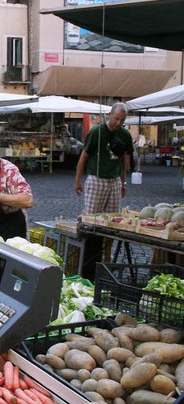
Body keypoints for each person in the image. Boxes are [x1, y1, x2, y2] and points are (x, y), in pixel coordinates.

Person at [74, 102, 133, 280]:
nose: (118, 123)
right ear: (109, 115)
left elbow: (124, 160)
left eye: (122, 120)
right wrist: (78, 180)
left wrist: (123, 182)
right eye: (116, 119)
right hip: (96, 179)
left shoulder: (125, 134)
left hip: (114, 180)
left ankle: (105, 261)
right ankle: (89, 263)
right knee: (92, 221)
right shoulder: (96, 132)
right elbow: (84, 157)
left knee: (111, 222)